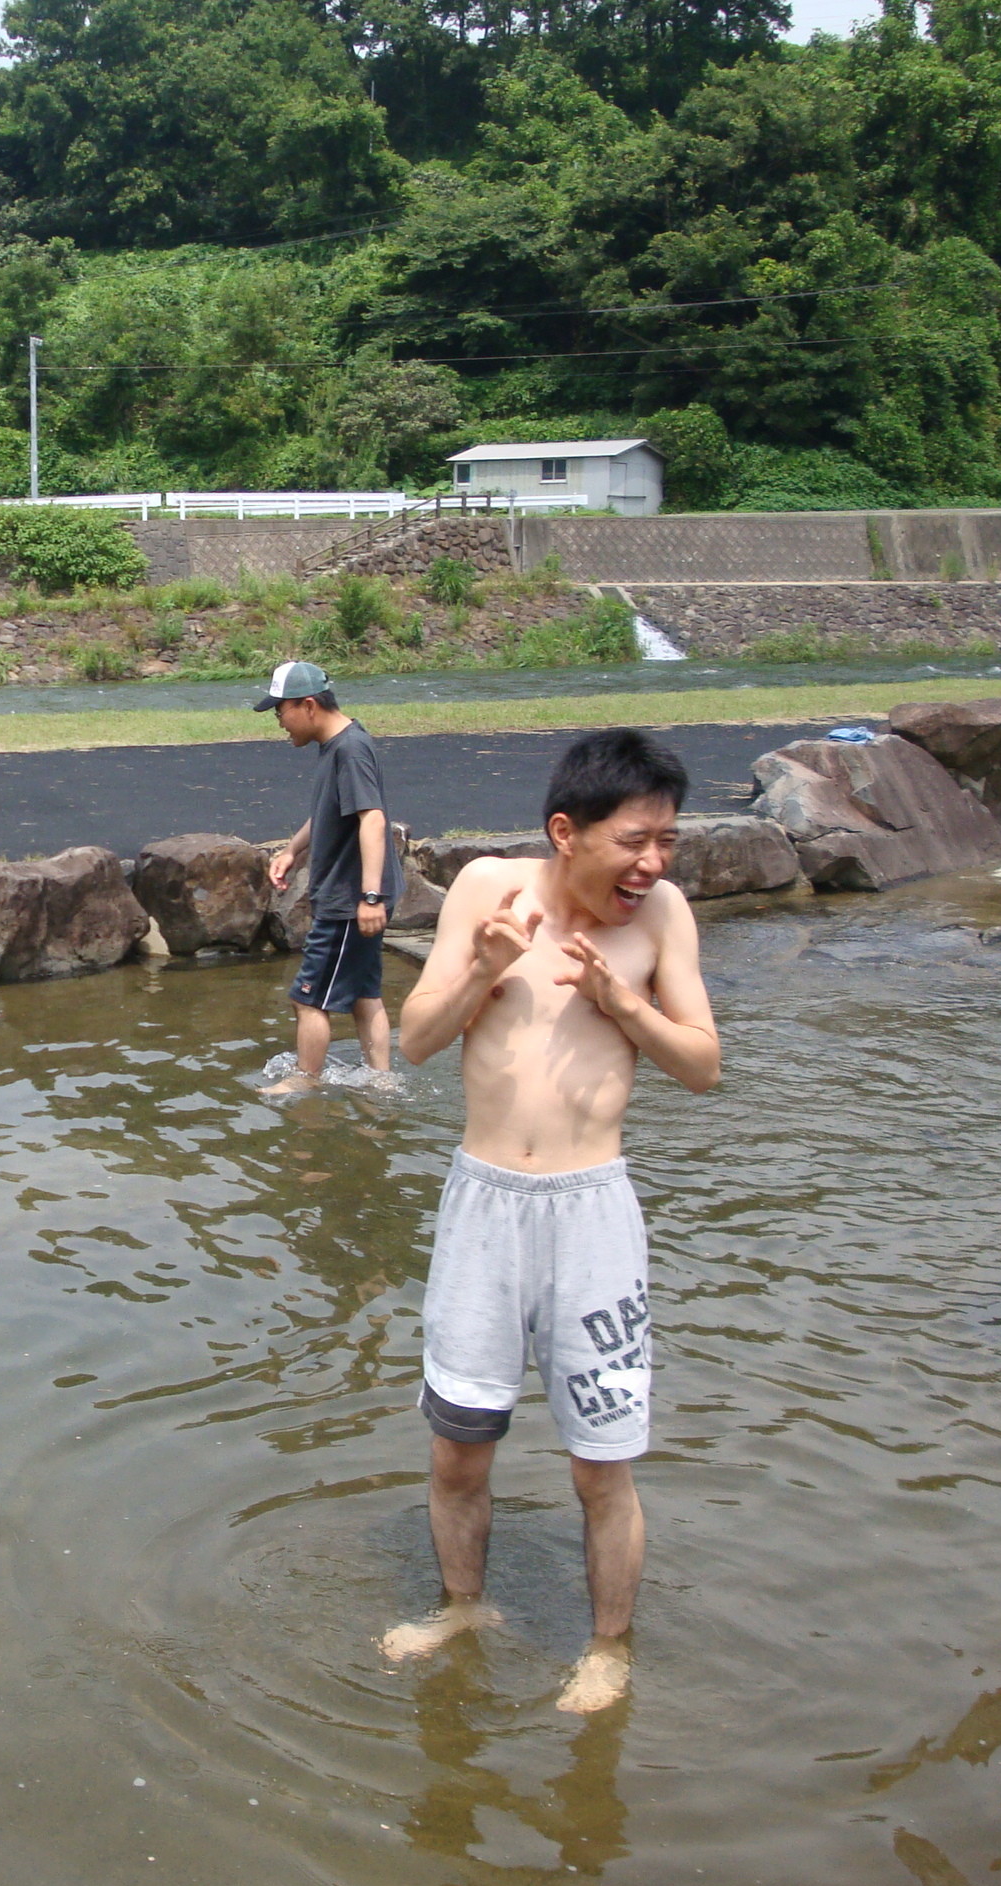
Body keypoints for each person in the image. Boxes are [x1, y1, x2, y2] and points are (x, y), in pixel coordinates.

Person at [383, 728, 720, 1713]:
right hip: (484, 1204)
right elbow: (413, 1044)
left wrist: (624, 1004)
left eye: (667, 840)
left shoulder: (662, 918)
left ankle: (608, 1649)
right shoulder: (489, 889)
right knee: (458, 1449)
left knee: (601, 1467)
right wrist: (485, 968)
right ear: (566, 832)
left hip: (593, 1215)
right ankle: (460, 1607)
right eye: (635, 841)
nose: (652, 863)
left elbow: (702, 1067)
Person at [259, 659, 401, 1094]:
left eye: (280, 711)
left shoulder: (350, 749)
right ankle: (381, 1081)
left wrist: (370, 897)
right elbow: (328, 810)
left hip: (348, 900)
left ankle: (305, 1084)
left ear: (307, 705)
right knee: (363, 992)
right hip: (351, 896)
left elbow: (372, 819)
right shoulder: (337, 745)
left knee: (307, 998)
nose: (279, 722)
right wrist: (291, 849)